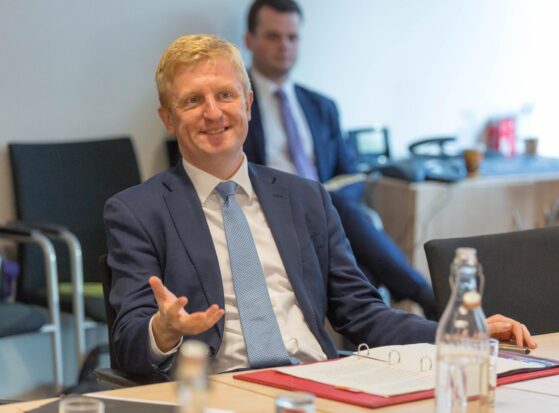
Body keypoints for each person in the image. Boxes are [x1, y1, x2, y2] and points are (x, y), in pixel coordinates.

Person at [103, 34, 536, 378]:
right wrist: (162, 332)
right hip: (218, 390)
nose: (214, 113)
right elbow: (128, 344)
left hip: (317, 384)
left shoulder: (305, 197)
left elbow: (363, 313)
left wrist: (456, 334)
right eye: (193, 100)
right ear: (167, 118)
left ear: (248, 104)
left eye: (226, 95)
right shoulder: (137, 212)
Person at [242, 0, 438, 319]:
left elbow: (352, 176)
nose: (285, 46)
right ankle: (422, 296)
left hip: (325, 214)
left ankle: (379, 330)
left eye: (292, 38)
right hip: (270, 210)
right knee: (339, 211)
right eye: (273, 37)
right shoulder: (236, 106)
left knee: (342, 220)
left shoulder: (321, 106)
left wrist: (324, 205)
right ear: (250, 41)